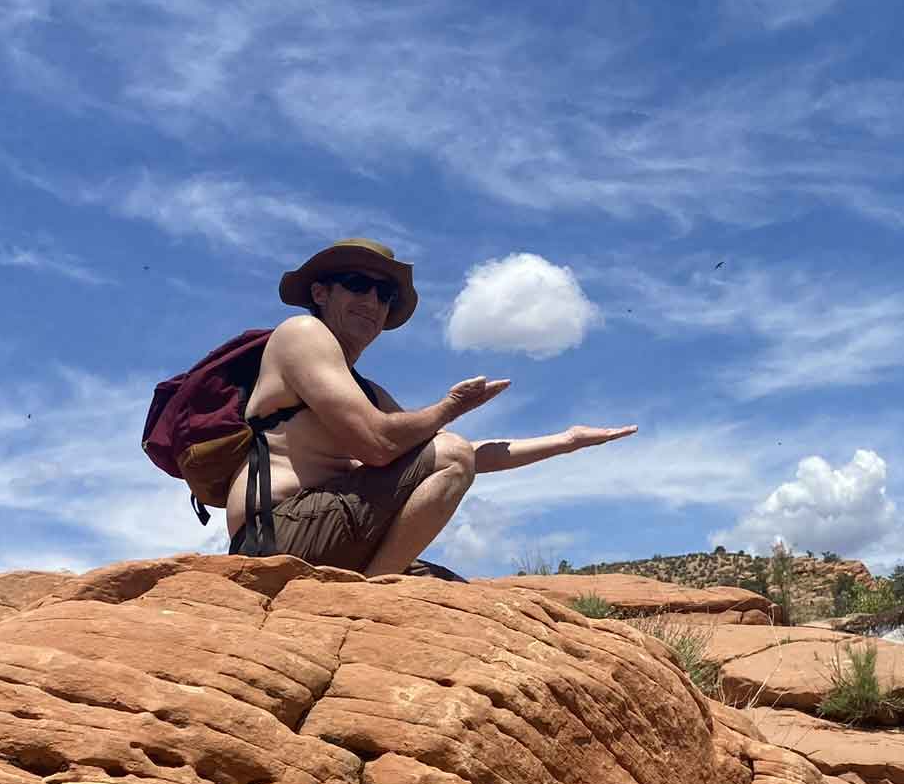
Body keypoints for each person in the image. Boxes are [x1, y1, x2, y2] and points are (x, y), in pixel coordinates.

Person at [228, 238, 636, 574]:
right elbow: (380, 445)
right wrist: (449, 408)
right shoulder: (301, 333)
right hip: (275, 535)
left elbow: (461, 456)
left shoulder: (366, 392)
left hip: (326, 530)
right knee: (449, 455)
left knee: (452, 590)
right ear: (320, 293)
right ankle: (368, 599)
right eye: (357, 284)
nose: (372, 300)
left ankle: (373, 590)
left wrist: (568, 440)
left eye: (384, 293)